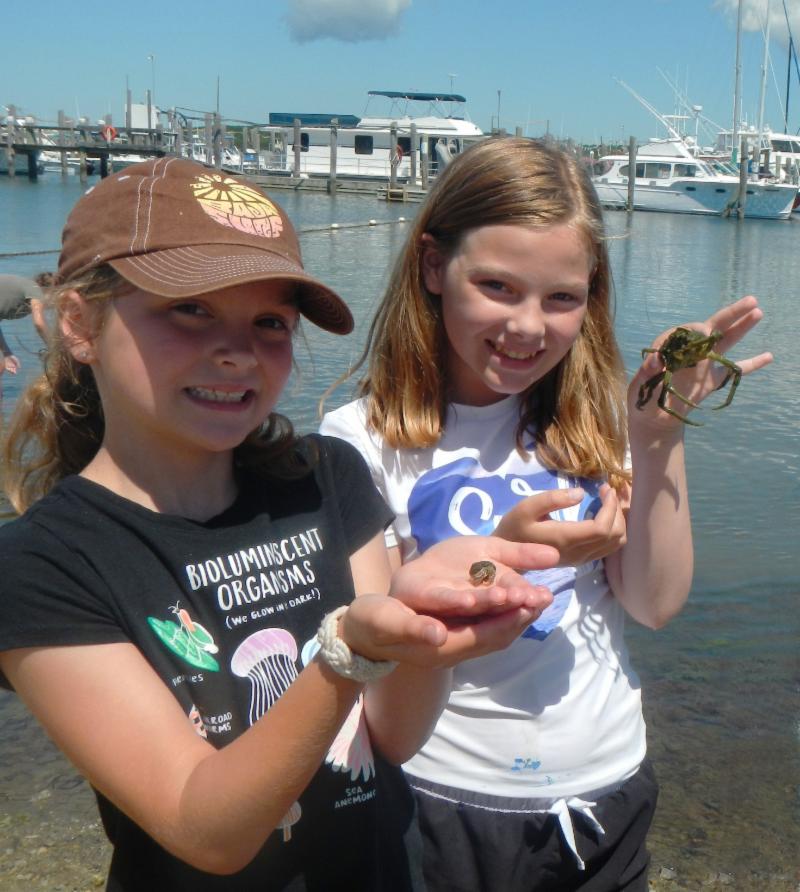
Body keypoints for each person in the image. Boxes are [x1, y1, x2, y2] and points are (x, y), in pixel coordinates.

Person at [0, 157, 559, 891]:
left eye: (270, 323)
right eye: (189, 309)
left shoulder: (327, 478)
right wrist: (346, 655)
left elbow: (391, 736)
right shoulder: (43, 564)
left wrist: (427, 632)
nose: (237, 353)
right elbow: (207, 831)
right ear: (79, 323)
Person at [320, 137, 773, 891]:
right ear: (432, 266)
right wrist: (502, 556)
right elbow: (378, 666)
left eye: (562, 298)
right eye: (497, 286)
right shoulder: (360, 443)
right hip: (442, 798)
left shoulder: (601, 420)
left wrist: (656, 436)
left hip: (607, 791)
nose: (530, 327)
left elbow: (655, 604)